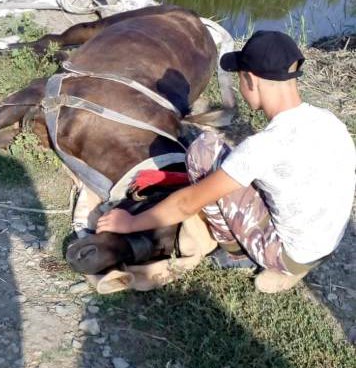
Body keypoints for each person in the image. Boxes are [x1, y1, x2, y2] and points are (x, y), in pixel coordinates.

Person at [97, 30, 355, 293]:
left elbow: (187, 203)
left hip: (291, 254)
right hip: (325, 245)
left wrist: (129, 223)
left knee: (203, 151)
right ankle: (289, 261)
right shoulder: (329, 121)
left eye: (239, 79)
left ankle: (238, 255)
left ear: (251, 80)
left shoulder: (264, 146)